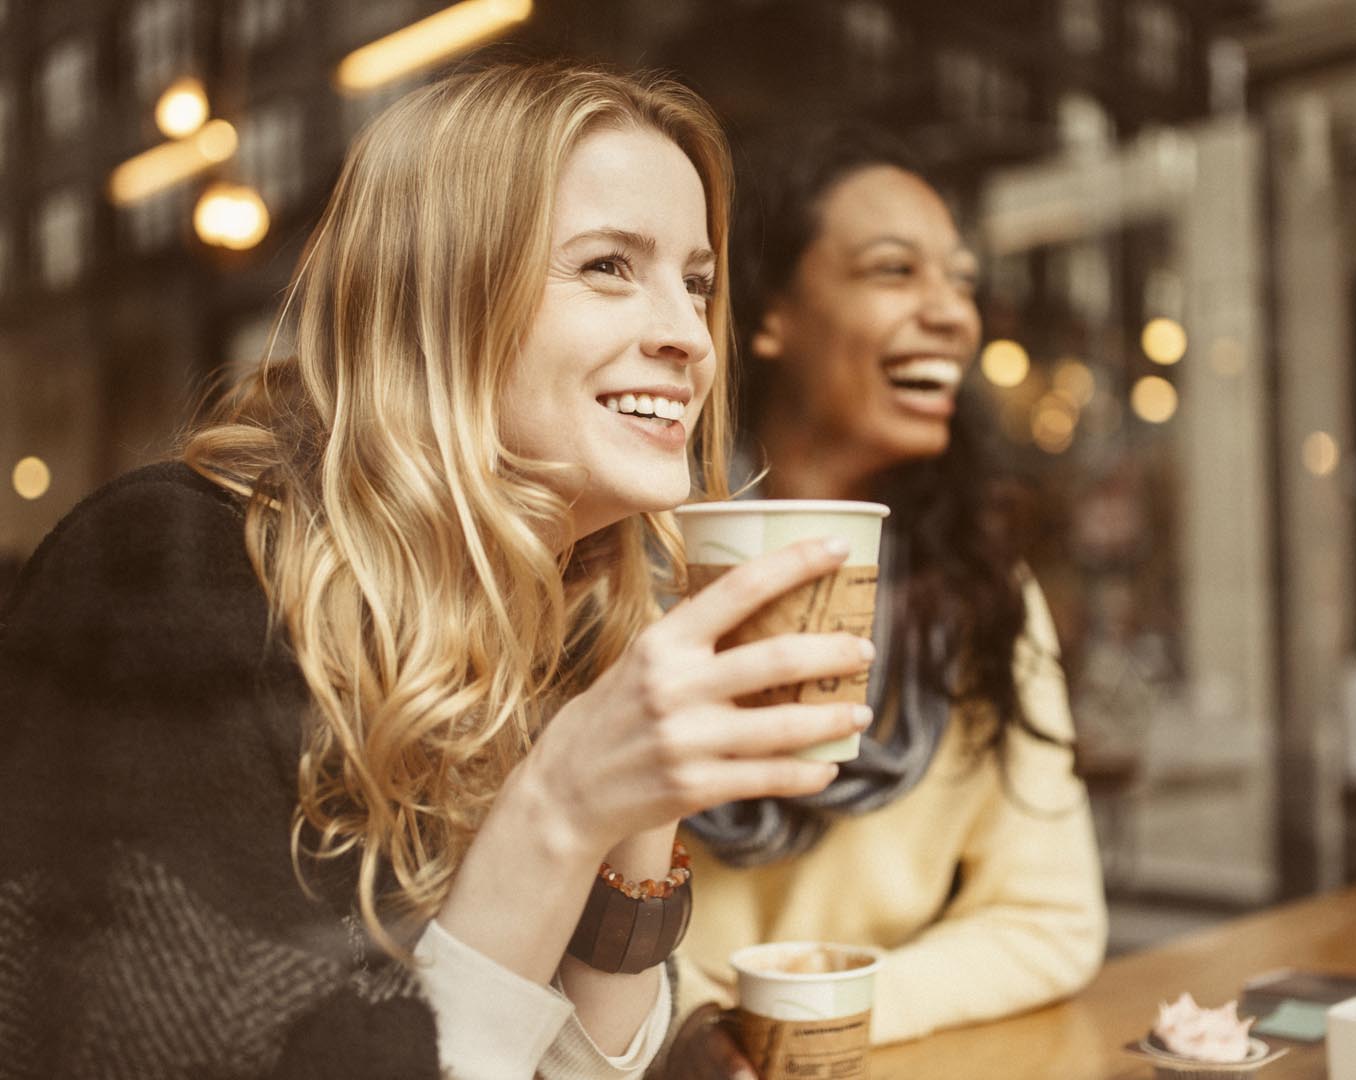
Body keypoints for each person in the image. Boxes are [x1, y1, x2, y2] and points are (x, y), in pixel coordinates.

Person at [0, 64, 880, 1080]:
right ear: (443, 299)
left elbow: (577, 1071)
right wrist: (560, 804)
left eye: (696, 282)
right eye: (606, 267)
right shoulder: (167, 572)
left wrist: (643, 813)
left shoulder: (571, 610)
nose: (687, 336)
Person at [661, 127, 1107, 1075]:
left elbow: (1052, 920)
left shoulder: (985, 595)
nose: (953, 313)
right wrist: (679, 1026)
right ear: (771, 314)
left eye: (961, 281)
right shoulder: (631, 567)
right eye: (893, 270)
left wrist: (803, 1016)